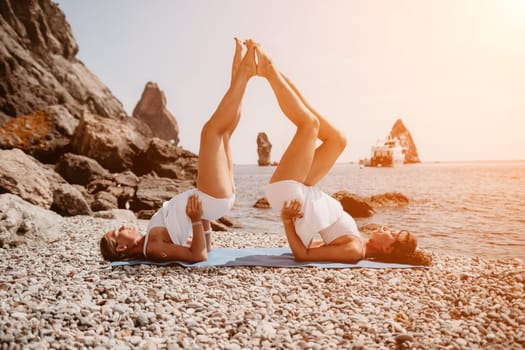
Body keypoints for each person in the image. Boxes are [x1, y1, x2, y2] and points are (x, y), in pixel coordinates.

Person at [255, 43, 432, 266]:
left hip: (289, 195)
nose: (388, 227)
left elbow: (303, 255)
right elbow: (314, 246)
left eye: (393, 233)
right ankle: (275, 75)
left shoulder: (354, 250)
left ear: (387, 248)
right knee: (338, 139)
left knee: (309, 125)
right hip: (302, 191)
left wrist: (287, 221)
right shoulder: (358, 240)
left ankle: (269, 71)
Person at [100, 38, 257, 263]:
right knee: (210, 132)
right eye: (117, 232)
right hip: (211, 198)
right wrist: (196, 218)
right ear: (122, 247)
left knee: (224, 134)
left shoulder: (150, 240)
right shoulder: (153, 248)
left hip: (212, 200)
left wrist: (202, 220)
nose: (122, 226)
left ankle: (240, 73)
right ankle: (244, 74)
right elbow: (199, 256)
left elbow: (205, 247)